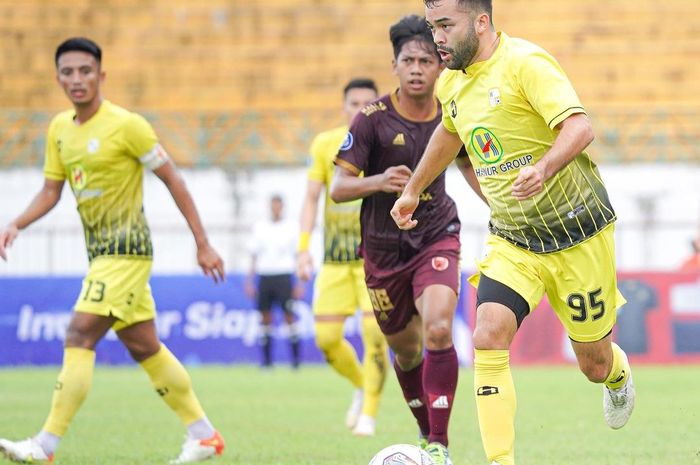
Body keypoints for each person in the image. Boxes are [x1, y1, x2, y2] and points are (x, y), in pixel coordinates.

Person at [391, 2, 635, 464]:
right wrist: (412, 190)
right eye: (432, 27)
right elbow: (450, 131)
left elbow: (579, 128)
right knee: (488, 335)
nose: (436, 38)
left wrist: (543, 168)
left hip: (578, 232)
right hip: (513, 237)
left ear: (480, 22)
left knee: (593, 363)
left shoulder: (526, 63)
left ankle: (618, 377)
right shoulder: (451, 82)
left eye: (445, 26)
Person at [0, 37, 226, 464]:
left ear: (101, 75)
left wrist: (203, 243)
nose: (77, 79)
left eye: (85, 71)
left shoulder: (128, 125)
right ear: (58, 78)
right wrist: (15, 223)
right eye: (68, 72)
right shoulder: (59, 129)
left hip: (127, 252)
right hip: (100, 254)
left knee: (79, 333)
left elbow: (174, 179)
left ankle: (45, 445)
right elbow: (51, 191)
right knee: (144, 346)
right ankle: (204, 435)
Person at [331, 15, 479, 465]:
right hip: (382, 251)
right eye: (408, 60)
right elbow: (339, 188)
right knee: (407, 349)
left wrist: (502, 209)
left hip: (436, 236)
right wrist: (378, 181)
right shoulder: (372, 119)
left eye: (426, 60)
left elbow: (473, 169)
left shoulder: (454, 113)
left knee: (437, 327)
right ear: (394, 66)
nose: (417, 68)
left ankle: (440, 443)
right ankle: (424, 432)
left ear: (440, 68)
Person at [297, 78, 389, 436]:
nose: (359, 110)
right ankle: (361, 385)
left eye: (367, 103)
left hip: (375, 259)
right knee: (326, 339)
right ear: (343, 107)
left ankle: (369, 413)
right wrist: (302, 247)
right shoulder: (324, 144)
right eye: (353, 103)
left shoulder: (386, 141)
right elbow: (311, 197)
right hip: (334, 260)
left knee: (373, 332)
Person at [246, 194, 302, 368]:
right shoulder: (260, 227)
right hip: (265, 276)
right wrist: (249, 280)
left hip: (284, 275)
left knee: (289, 317)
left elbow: (298, 255)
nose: (276, 208)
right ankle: (267, 362)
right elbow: (254, 255)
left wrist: (300, 282)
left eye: (278, 205)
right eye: (273, 205)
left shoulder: (292, 227)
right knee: (265, 318)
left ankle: (295, 361)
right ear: (270, 207)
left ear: (282, 207)